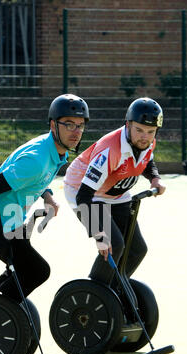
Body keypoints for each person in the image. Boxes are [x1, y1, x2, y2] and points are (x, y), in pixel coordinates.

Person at [0, 94, 89, 302]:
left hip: (9, 221)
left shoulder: (52, 149)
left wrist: (47, 196)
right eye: (69, 124)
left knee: (23, 270)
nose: (76, 132)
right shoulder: (36, 160)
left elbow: (35, 180)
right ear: (53, 125)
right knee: (37, 271)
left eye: (80, 125)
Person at [63, 97, 166, 287]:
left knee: (137, 249)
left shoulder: (147, 142)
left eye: (151, 132)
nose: (145, 136)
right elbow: (83, 197)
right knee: (113, 245)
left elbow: (146, 159)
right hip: (86, 192)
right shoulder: (110, 151)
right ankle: (95, 295)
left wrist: (155, 178)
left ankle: (116, 288)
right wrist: (99, 235)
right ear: (127, 125)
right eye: (139, 130)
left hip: (115, 193)